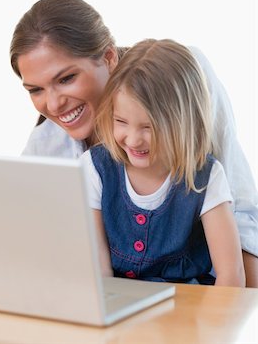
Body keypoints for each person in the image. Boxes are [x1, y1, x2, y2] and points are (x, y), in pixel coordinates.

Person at [10, 0, 258, 286]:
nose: (52, 105)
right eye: (35, 90)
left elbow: (241, 212)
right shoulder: (46, 146)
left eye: (66, 79)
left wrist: (243, 314)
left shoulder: (181, 82)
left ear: (109, 57)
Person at [80, 39, 245, 286]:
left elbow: (231, 276)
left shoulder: (206, 176)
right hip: (119, 305)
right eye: (121, 122)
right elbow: (98, 271)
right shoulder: (95, 167)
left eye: (149, 127)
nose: (133, 140)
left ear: (184, 122)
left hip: (189, 307)